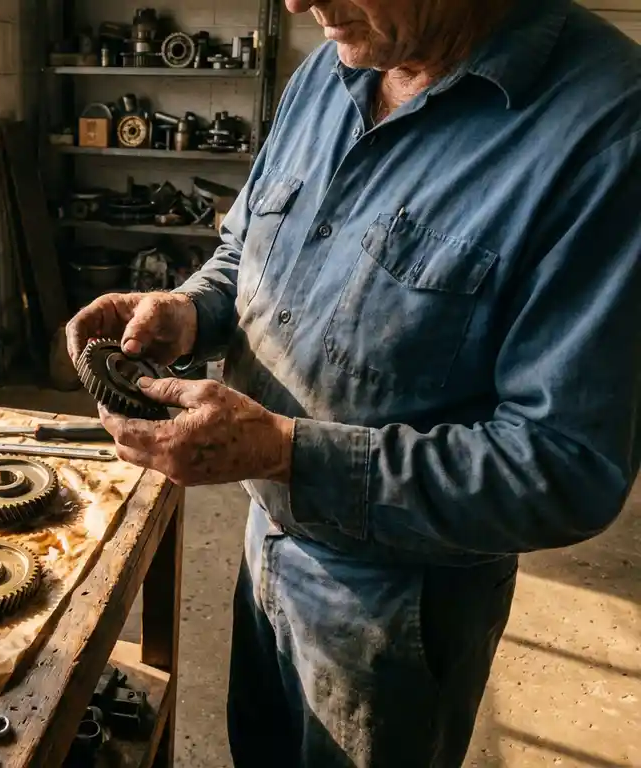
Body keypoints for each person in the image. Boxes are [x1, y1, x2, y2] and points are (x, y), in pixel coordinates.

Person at [66, 0, 641, 765]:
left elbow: (566, 466)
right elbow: (249, 245)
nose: (298, 2)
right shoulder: (334, 67)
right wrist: (188, 310)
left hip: (400, 606)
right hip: (264, 537)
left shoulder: (609, 129)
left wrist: (283, 453)